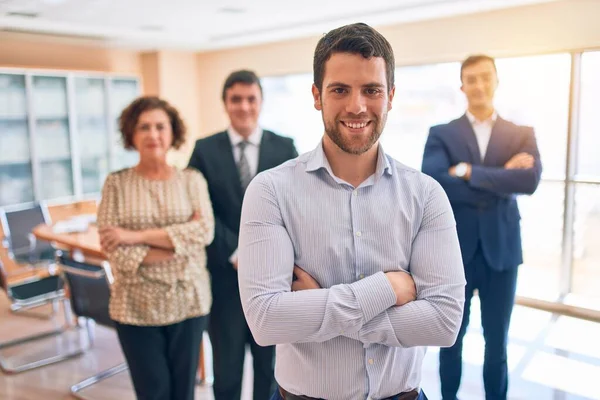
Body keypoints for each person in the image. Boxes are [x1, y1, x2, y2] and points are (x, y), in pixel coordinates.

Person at [237, 23, 466, 400]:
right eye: (340, 89)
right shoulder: (270, 191)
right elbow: (266, 321)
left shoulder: (426, 195)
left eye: (371, 90)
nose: (356, 106)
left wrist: (320, 305)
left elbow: (443, 323)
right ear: (317, 95)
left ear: (390, 96)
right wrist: (387, 289)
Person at [421, 54, 542, 400]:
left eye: (485, 78)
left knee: (497, 344)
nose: (479, 85)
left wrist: (469, 172)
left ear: (496, 81)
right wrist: (503, 177)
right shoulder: (441, 133)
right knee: (451, 339)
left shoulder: (521, 134)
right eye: (471, 79)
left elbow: (530, 180)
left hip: (502, 252)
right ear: (462, 86)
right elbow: (436, 183)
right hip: (456, 251)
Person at [187, 69, 298, 400]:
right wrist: (237, 253)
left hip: (272, 281)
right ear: (225, 103)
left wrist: (264, 257)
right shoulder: (204, 150)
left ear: (261, 102)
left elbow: (294, 210)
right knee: (227, 370)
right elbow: (200, 212)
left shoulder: (285, 148)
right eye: (236, 99)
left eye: (251, 99)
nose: (244, 106)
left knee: (269, 367)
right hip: (224, 280)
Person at [97, 96, 214, 400]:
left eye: (160, 126)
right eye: (144, 127)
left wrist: (134, 236)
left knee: (183, 393)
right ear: (131, 135)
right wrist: (177, 243)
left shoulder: (192, 180)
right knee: (154, 392)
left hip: (188, 301)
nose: (153, 134)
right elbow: (115, 251)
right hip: (135, 308)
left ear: (172, 132)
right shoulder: (116, 184)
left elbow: (204, 232)